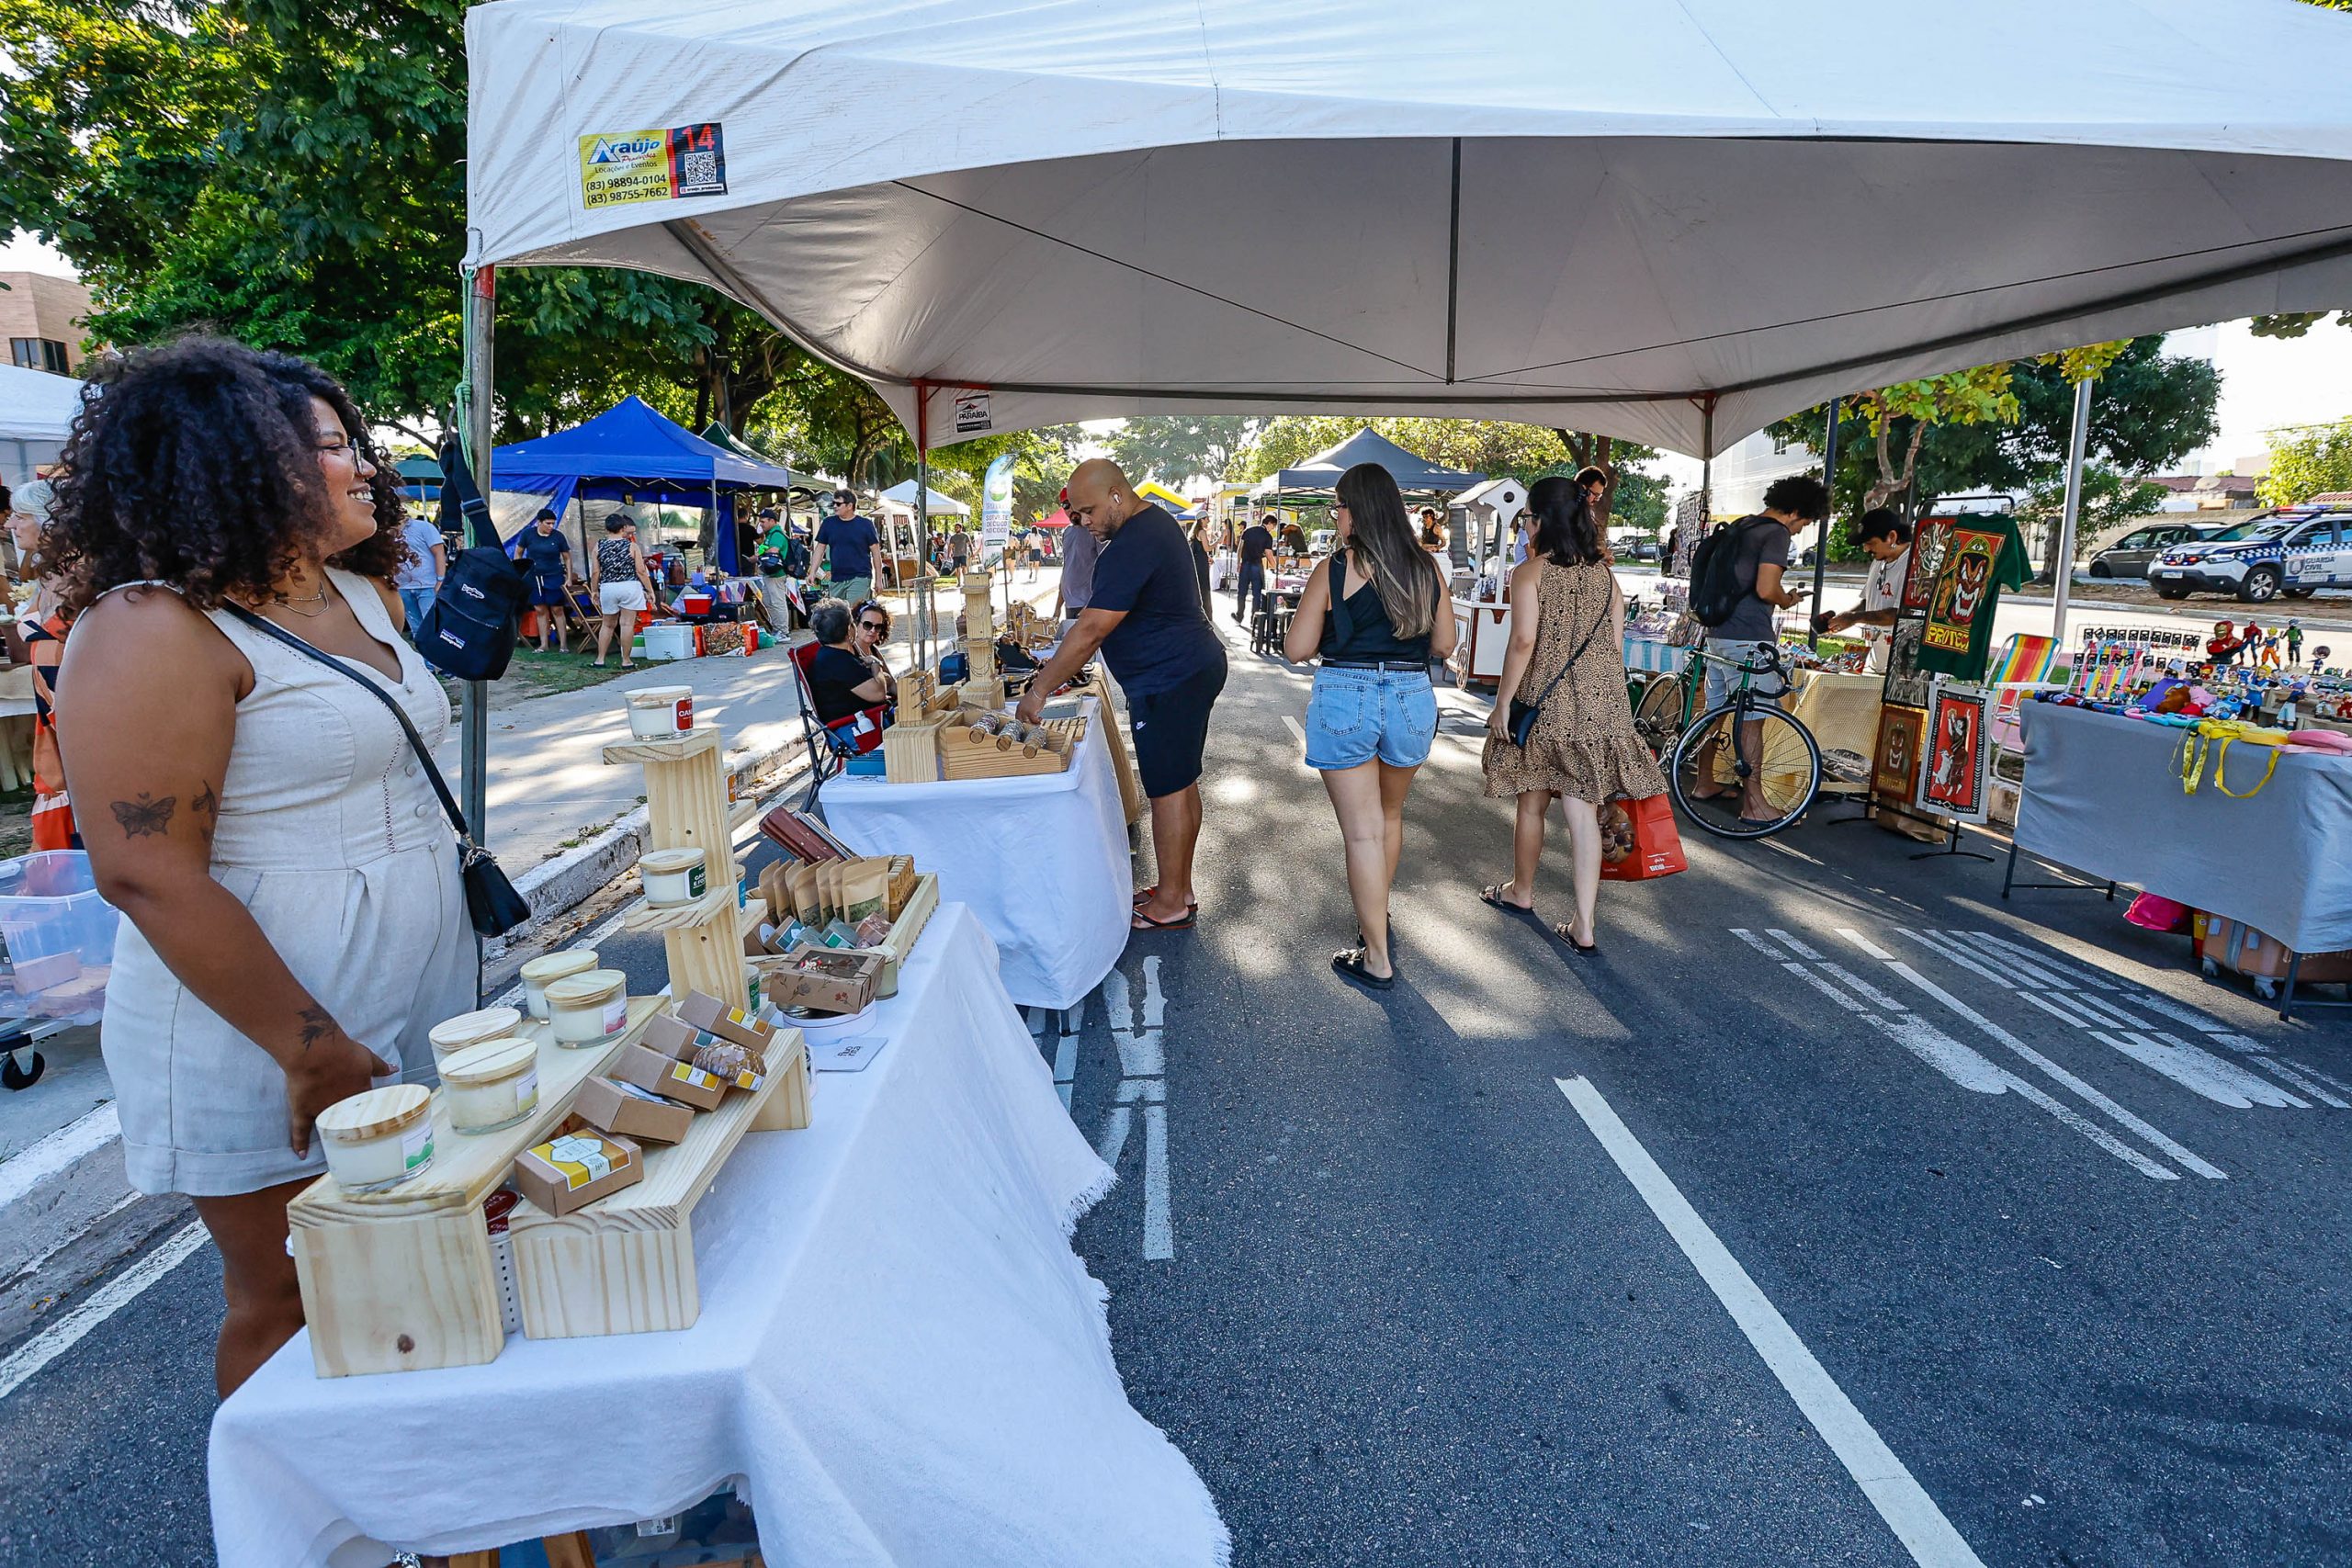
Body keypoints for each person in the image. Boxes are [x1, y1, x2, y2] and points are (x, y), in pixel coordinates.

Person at [47, 336, 471, 1396]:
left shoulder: (359, 594)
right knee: (289, 1300)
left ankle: (415, 1511)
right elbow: (145, 872)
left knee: (407, 1259)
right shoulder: (154, 628)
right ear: (238, 467)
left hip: (399, 988)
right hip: (265, 1026)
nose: (364, 465)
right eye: (333, 447)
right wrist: (312, 1047)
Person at [1017, 460, 1226, 931]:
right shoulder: (1148, 528)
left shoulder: (1136, 539)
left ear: (1116, 494)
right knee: (1181, 782)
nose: (1084, 522)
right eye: (1077, 515)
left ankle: (1171, 902)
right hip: (1185, 669)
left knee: (1168, 790)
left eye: (1088, 511)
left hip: (1170, 678)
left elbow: (1092, 627)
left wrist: (1039, 689)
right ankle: (1179, 888)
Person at [1283, 464, 1457, 990]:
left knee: (1361, 833)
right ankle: (1376, 918)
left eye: (1339, 505)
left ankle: (1376, 955)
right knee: (1389, 816)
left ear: (1357, 511)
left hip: (1345, 696)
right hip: (1409, 696)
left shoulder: (1333, 569)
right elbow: (1445, 645)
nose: (1336, 515)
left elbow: (1296, 650)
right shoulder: (1426, 568)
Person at [1479, 475, 1668, 953]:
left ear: (1539, 520)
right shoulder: (1606, 575)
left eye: (1526, 518)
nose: (1525, 527)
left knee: (1532, 801)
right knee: (1584, 812)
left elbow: (1523, 643)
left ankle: (1521, 892)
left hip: (1550, 705)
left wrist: (1503, 703)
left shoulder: (1532, 573)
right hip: (1603, 706)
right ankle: (1584, 925)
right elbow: (1614, 642)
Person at [1691, 474, 1826, 826]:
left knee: (1716, 711)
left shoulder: (1741, 527)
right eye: (1805, 523)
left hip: (1717, 633)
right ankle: (1755, 805)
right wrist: (1786, 599)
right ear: (1795, 511)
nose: (1799, 532)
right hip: (1750, 638)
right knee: (1753, 720)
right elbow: (1767, 589)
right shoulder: (1776, 533)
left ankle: (1703, 782)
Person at [8, 479, 78, 850]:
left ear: (48, 521)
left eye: (20, 517)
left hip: (69, 698)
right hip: (48, 695)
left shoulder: (78, 576)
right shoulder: (50, 574)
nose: (9, 525)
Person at [1811, 508, 1913, 671]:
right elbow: (1868, 601)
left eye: (1871, 543)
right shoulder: (1879, 561)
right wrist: (1840, 620)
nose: (1866, 549)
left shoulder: (1913, 564)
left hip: (1903, 670)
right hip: (1876, 662)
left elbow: (1901, 614)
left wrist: (1854, 618)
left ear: (1892, 537)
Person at [804, 597, 890, 727]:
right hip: (856, 730)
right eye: (852, 623)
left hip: (863, 720)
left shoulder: (833, 655)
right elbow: (879, 694)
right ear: (848, 629)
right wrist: (875, 664)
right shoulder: (838, 661)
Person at [590, 513, 657, 669]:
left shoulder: (599, 546)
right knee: (627, 625)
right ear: (623, 528)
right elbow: (641, 571)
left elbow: (595, 572)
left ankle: (600, 659)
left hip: (608, 587)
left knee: (607, 625)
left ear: (606, 528)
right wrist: (650, 590)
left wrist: (594, 591)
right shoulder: (632, 546)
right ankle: (626, 660)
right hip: (629, 587)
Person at [510, 506, 576, 653]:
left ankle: (563, 645)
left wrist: (569, 577)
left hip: (554, 575)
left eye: (553, 523)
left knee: (557, 609)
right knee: (540, 609)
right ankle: (543, 644)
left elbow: (567, 557)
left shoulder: (558, 536)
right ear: (539, 522)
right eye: (548, 523)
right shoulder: (528, 535)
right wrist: (520, 571)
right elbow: (519, 552)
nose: (551, 526)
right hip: (535, 577)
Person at [816, 489, 879, 605]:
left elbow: (876, 553)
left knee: (854, 612)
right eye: (833, 503)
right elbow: (820, 548)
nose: (835, 506)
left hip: (860, 576)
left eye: (838, 504)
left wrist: (879, 580)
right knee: (838, 616)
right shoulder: (828, 523)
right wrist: (812, 572)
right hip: (836, 578)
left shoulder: (865, 524)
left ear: (850, 505)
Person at [393, 509, 446, 638]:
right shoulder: (387, 532)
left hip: (428, 585)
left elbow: (439, 552)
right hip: (402, 587)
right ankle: (424, 658)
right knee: (416, 629)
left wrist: (440, 580)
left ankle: (434, 658)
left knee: (432, 628)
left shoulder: (423, 527)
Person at [1054, 512, 1101, 628]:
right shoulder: (1067, 532)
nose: (1070, 510)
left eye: (1071, 504)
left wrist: (1093, 602)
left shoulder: (1095, 531)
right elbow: (1067, 568)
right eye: (1065, 506)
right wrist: (1057, 607)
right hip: (1070, 604)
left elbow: (1105, 567)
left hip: (1088, 603)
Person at [1235, 513, 1275, 626]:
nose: (1273, 529)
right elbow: (1268, 554)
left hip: (1245, 564)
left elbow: (1240, 547)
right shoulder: (1267, 536)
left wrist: (1239, 562)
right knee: (1257, 594)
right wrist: (1275, 566)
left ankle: (1239, 615)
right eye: (1273, 526)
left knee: (1241, 592)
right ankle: (1255, 619)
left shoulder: (1248, 530)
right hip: (1257, 565)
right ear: (1269, 523)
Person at [854, 598, 894, 677]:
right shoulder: (850, 651)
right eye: (867, 625)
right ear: (856, 623)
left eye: (878, 627)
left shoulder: (873, 649)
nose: (873, 630)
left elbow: (892, 681)